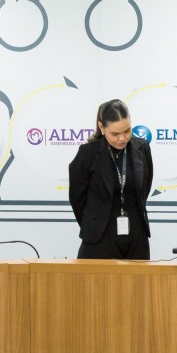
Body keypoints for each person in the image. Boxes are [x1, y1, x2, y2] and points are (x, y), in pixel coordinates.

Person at [68, 99, 154, 259]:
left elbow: (144, 188)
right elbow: (77, 198)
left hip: (136, 236)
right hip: (99, 236)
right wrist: (94, 223)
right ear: (102, 127)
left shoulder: (142, 148)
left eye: (127, 131)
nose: (122, 138)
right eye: (115, 134)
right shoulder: (88, 153)